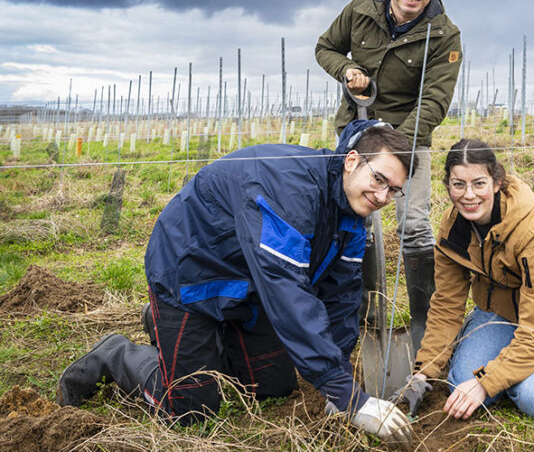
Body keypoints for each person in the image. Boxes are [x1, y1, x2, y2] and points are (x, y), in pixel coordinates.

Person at [57, 120, 414, 445]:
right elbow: (287, 294)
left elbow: (342, 294)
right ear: (352, 161)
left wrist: (338, 384)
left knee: (274, 388)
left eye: (393, 190)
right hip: (191, 278)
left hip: (249, 291)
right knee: (191, 409)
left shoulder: (353, 213)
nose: (382, 197)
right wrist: (351, 398)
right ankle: (118, 353)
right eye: (379, 179)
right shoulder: (290, 191)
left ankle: (174, 332)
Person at [315, 0, 462, 352]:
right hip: (357, 129)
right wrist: (347, 69)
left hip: (410, 137)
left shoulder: (444, 34)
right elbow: (325, 47)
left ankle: (423, 326)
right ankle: (366, 318)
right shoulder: (360, 11)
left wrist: (398, 146)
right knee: (355, 221)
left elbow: (435, 99)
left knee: (414, 225)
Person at [391, 139, 534, 420]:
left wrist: (486, 383)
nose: (469, 195)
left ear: (497, 183)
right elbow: (446, 305)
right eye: (458, 184)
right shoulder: (452, 230)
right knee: (459, 384)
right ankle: (514, 367)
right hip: (499, 313)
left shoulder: (533, 232)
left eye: (479, 184)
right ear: (448, 186)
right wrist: (424, 373)